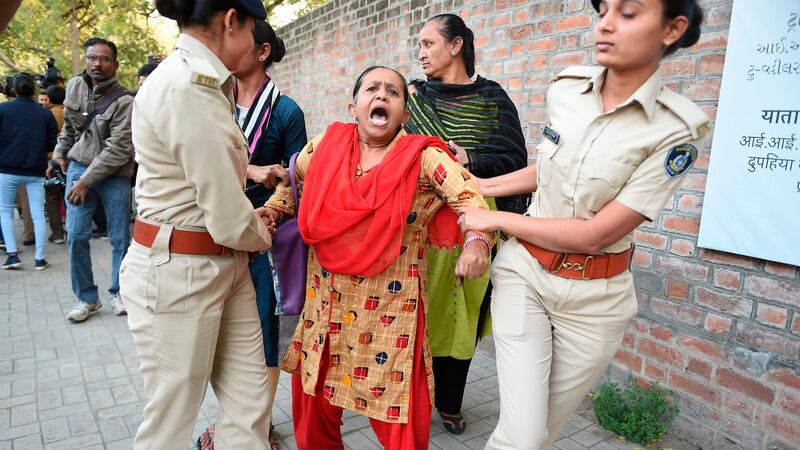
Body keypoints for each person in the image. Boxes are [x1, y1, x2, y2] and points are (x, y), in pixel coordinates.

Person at [457, 1, 710, 448]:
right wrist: (478, 183)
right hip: (526, 277)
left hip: (597, 301)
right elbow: (550, 170)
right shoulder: (566, 90)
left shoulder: (676, 131)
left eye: (628, 13)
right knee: (525, 435)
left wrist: (493, 217)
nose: (606, 24)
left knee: (535, 436)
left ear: (673, 29)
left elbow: (599, 234)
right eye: (603, 10)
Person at [262, 66, 493, 450]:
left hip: (391, 318)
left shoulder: (423, 158)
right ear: (354, 106)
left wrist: (478, 242)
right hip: (327, 312)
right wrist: (274, 209)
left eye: (393, 92)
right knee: (312, 417)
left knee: (403, 426)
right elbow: (294, 182)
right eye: (373, 88)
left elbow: (468, 196)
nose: (382, 95)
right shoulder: (325, 144)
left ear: (404, 113)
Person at [120, 0, 285, 448]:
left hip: (223, 266)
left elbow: (207, 193)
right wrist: (260, 230)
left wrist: (246, 223)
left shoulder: (209, 84)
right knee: (170, 425)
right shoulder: (186, 87)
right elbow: (227, 215)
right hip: (180, 272)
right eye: (252, 28)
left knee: (250, 410)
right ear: (231, 21)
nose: (254, 42)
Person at [405, 13, 528, 435]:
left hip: (476, 223)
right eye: (418, 45)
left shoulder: (493, 99)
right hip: (419, 226)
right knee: (416, 310)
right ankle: (411, 395)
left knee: (463, 315)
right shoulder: (414, 99)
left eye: (428, 43)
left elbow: (515, 159)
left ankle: (450, 401)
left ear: (456, 46)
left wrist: (470, 159)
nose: (420, 53)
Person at [195, 19, 307, 450]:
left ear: (261, 51)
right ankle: (233, 421)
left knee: (263, 330)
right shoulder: (213, 99)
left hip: (265, 235)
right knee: (220, 331)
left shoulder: (286, 111)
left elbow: (297, 179)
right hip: (211, 229)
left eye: (233, 38)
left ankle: (257, 425)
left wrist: (270, 205)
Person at [52, 37, 134, 322]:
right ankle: (86, 298)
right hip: (78, 169)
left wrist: (85, 180)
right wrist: (60, 154)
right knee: (75, 235)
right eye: (92, 58)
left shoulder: (124, 101)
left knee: (120, 238)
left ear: (115, 64)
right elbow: (70, 129)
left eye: (104, 59)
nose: (97, 64)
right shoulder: (74, 86)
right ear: (85, 60)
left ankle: (120, 292)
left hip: (114, 176)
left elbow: (119, 149)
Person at [0, 73, 58, 270]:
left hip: (6, 168)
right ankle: (40, 258)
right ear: (33, 89)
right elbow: (52, 143)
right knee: (38, 213)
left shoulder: (3, 110)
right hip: (35, 169)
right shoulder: (44, 113)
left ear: (13, 90)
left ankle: (12, 255)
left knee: (5, 211)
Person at [44, 85, 66, 244]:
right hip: (71, 157)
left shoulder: (48, 114)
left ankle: (57, 233)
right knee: (70, 195)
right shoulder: (70, 111)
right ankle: (73, 228)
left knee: (52, 196)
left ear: (50, 99)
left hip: (52, 158)